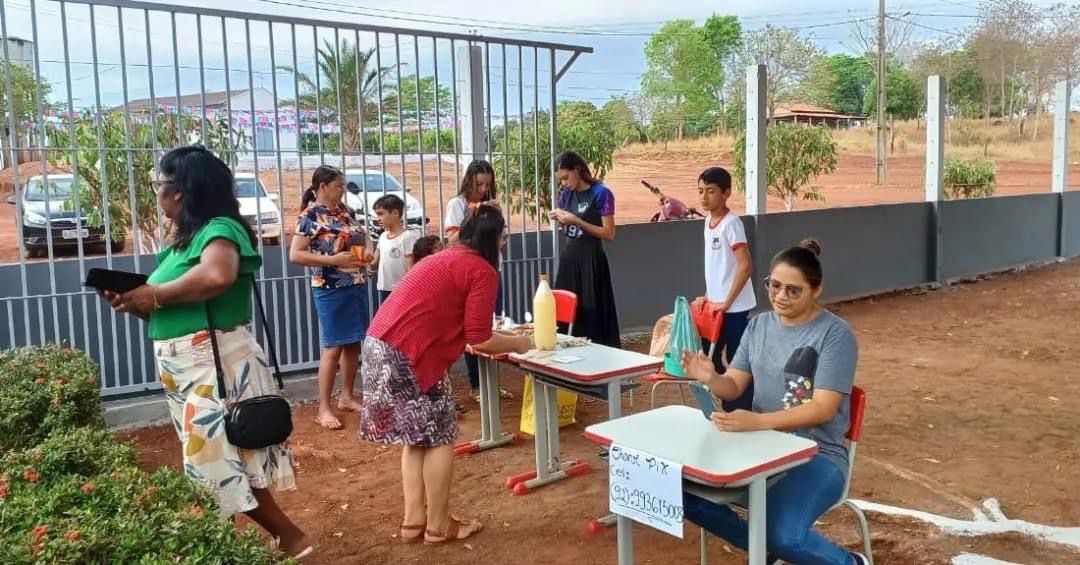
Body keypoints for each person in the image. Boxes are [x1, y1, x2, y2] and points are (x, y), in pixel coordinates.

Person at [99, 146, 311, 559]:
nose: (156, 192)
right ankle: (280, 539)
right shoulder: (186, 243)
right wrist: (138, 303)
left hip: (215, 368)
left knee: (215, 464)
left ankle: (261, 542)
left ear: (180, 191)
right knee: (222, 462)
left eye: (159, 184)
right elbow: (177, 313)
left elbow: (217, 276)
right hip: (189, 370)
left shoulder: (221, 230)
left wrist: (154, 294)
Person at [680, 239, 867, 565]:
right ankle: (763, 549)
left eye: (793, 291)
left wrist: (757, 422)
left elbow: (822, 409)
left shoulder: (835, 335)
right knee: (681, 492)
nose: (781, 297)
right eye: (775, 286)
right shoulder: (759, 326)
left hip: (818, 454)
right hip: (762, 447)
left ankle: (849, 562)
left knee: (786, 536)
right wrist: (710, 377)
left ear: (816, 289)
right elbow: (734, 385)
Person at [359, 205, 532, 544]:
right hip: (411, 355)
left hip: (379, 345)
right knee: (439, 437)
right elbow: (480, 336)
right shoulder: (481, 270)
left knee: (416, 438)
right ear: (496, 239)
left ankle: (414, 521)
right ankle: (438, 525)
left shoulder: (443, 257)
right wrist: (522, 343)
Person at [289, 165, 373, 430]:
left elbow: (363, 236)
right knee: (333, 346)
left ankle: (346, 396)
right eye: (338, 186)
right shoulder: (310, 216)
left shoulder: (344, 211)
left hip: (356, 281)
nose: (341, 190)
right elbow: (296, 255)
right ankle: (323, 407)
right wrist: (332, 259)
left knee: (352, 344)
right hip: (329, 287)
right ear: (323, 186)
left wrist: (368, 252)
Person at [445, 159, 510, 403]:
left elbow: (502, 238)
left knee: (493, 326)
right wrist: (474, 217)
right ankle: (476, 385)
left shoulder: (492, 204)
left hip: (493, 270)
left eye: (487, 184)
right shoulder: (457, 204)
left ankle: (491, 383)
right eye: (479, 184)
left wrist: (495, 219)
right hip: (469, 273)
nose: (483, 189)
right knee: (474, 329)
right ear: (469, 181)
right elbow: (451, 239)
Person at [694, 166, 756, 412]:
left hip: (735, 308)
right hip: (716, 307)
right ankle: (723, 402)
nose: (704, 197)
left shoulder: (732, 224)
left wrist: (727, 302)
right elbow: (718, 268)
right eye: (701, 191)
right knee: (709, 356)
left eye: (710, 191)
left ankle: (741, 409)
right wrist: (708, 296)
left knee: (737, 360)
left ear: (726, 193)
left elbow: (745, 266)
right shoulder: (708, 221)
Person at [550, 150, 621, 348]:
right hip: (570, 257)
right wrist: (562, 220)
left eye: (566, 177)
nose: (564, 183)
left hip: (591, 257)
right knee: (566, 310)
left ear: (578, 170)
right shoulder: (565, 195)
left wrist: (577, 221)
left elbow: (609, 233)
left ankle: (600, 357)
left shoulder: (601, 193)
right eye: (560, 179)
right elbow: (570, 228)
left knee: (592, 310)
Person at [371, 194, 420, 304]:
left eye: (381, 214)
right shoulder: (383, 236)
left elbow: (411, 268)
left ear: (395, 213)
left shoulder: (407, 237)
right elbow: (374, 260)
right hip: (383, 287)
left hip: (400, 290)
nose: (378, 218)